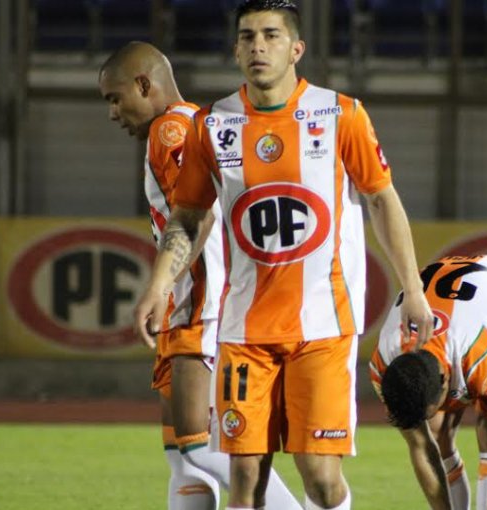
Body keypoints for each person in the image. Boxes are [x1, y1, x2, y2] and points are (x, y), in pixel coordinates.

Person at [132, 1, 434, 509]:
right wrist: (158, 285)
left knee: (319, 477)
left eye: (271, 35)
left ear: (296, 48)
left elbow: (382, 199)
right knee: (245, 481)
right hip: (244, 329)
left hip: (321, 325)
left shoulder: (341, 115)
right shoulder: (212, 125)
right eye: (247, 36)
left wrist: (415, 293)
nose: (258, 46)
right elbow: (187, 216)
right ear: (235, 50)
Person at [98, 41, 299, 510]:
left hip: (200, 305)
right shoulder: (195, 122)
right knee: (182, 457)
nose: (112, 113)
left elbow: (198, 215)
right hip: (193, 304)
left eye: (114, 98)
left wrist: (161, 285)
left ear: (144, 85)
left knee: (200, 446)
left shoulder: (169, 130)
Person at [370, 255, 487, 510]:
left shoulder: (478, 359)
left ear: (445, 384)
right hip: (466, 297)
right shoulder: (383, 367)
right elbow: (421, 446)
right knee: (434, 431)